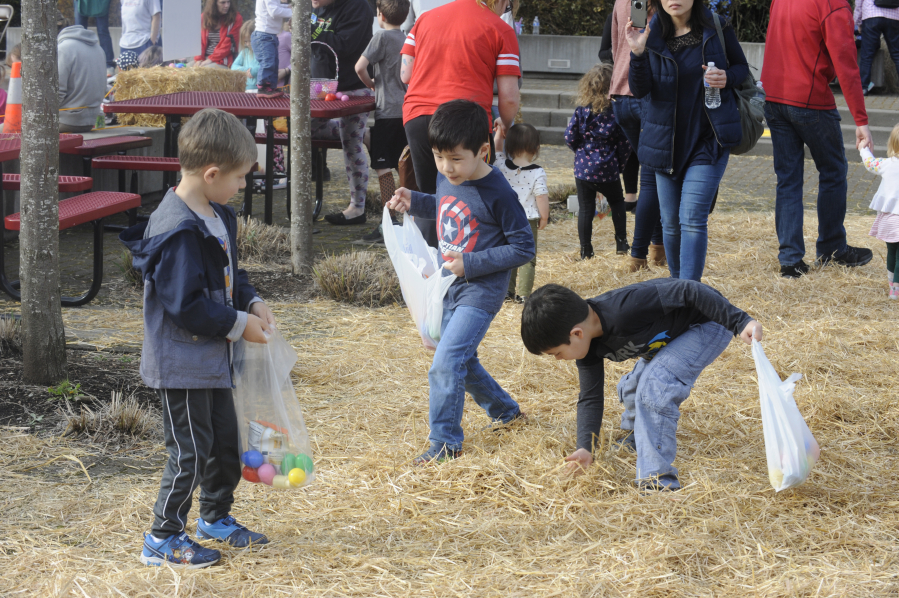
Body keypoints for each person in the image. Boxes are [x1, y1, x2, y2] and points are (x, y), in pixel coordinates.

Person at [120, 109, 276, 568]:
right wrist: (236, 325)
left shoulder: (217, 214)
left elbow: (232, 273)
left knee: (223, 443)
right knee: (188, 452)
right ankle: (162, 537)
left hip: (214, 360)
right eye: (240, 178)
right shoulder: (176, 231)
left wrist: (250, 302)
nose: (242, 187)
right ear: (211, 174)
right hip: (184, 364)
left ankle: (214, 517)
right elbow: (185, 306)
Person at [385, 100, 534, 464]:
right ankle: (506, 412)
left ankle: (444, 445)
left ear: (483, 151)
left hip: (481, 291)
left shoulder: (499, 193)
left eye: (454, 159)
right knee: (459, 359)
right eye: (438, 157)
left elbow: (523, 247)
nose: (445, 167)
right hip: (448, 283)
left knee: (446, 362)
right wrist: (414, 200)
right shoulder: (447, 175)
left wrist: (472, 263)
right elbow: (445, 205)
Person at [520, 281, 761, 491]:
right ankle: (638, 437)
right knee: (633, 386)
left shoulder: (624, 309)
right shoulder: (588, 344)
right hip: (670, 338)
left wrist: (740, 321)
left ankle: (657, 479)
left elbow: (690, 290)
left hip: (708, 322)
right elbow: (591, 397)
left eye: (557, 353)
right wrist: (585, 448)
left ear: (576, 333)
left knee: (654, 386)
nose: (558, 359)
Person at [627, 0, 748, 281]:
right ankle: (678, 288)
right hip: (665, 144)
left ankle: (690, 292)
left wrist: (726, 77)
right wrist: (637, 53)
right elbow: (640, 88)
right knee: (670, 223)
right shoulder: (651, 32)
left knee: (691, 219)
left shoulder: (716, 26)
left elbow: (741, 67)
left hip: (708, 139)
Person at [762, 0, 874, 278]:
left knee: (787, 179)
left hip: (774, 96)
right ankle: (832, 248)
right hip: (810, 98)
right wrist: (861, 121)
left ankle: (790, 260)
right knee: (834, 170)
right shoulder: (832, 4)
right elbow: (847, 65)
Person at [400, 0, 521, 247]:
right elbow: (509, 97)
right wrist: (505, 124)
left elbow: (405, 74)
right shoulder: (501, 29)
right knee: (470, 200)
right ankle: (467, 269)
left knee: (430, 198)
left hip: (418, 116)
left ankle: (429, 270)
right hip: (466, 122)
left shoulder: (425, 18)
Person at [610, 0, 666, 272]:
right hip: (647, 93)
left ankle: (656, 247)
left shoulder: (623, 2)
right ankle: (642, 253)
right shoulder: (665, 4)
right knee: (652, 179)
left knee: (651, 176)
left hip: (620, 93)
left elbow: (614, 44)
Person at [309, 0, 375, 226]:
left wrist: (309, 32)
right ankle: (364, 134)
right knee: (306, 128)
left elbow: (345, 46)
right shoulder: (316, 7)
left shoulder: (359, 7)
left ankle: (357, 208)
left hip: (353, 86)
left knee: (351, 142)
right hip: (321, 86)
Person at [354, 0, 411, 243]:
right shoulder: (407, 37)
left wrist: (371, 84)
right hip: (407, 111)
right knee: (406, 167)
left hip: (387, 111)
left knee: (383, 167)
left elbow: (360, 67)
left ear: (380, 14)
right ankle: (408, 219)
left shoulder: (381, 38)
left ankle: (388, 222)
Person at [565, 63, 632, 260]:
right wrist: (620, 163)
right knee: (617, 203)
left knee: (586, 208)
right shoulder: (616, 112)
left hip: (584, 168)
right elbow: (624, 142)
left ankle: (586, 250)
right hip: (608, 167)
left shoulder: (581, 111)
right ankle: (621, 243)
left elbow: (569, 137)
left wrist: (580, 152)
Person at [494, 123, 548, 302]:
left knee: (508, 254)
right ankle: (524, 294)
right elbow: (541, 197)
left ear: (509, 146)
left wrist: (500, 134)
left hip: (505, 219)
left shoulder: (501, 165)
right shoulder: (537, 172)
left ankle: (507, 293)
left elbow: (496, 150)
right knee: (527, 257)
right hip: (528, 220)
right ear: (536, 148)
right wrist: (545, 216)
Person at [859, 124, 899, 298]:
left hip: (889, 218)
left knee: (892, 252)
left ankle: (892, 285)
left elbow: (870, 163)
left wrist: (863, 149)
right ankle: (896, 290)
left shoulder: (887, 164)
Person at [58, 23, 107, 133]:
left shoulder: (63, 49)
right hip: (91, 121)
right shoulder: (99, 49)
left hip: (66, 121)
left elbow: (57, 92)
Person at [855, 0, 899, 96]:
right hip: (894, 16)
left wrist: (858, 22)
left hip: (871, 15)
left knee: (867, 54)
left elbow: (859, 2)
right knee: (897, 54)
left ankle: (864, 87)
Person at [252, 0, 291, 98]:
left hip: (270, 35)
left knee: (273, 62)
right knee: (267, 61)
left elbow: (276, 6)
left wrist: (288, 7)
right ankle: (263, 87)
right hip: (264, 35)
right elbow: (274, 11)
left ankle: (271, 87)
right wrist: (294, 12)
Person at [193, 0, 243, 68]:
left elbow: (228, 45)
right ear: (214, 4)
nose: (227, 5)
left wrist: (210, 59)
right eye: (223, 2)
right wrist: (198, 59)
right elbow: (199, 41)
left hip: (223, 60)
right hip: (205, 58)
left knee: (204, 71)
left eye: (228, 2)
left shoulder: (236, 18)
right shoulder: (203, 17)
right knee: (186, 69)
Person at [74, 0, 116, 76]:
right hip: (81, 2)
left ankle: (108, 65)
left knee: (102, 30)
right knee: (79, 31)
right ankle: (78, 64)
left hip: (100, 2)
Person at [232, 19, 261, 91]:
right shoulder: (244, 52)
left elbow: (266, 66)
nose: (248, 44)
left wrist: (254, 71)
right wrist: (246, 70)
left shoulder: (263, 52)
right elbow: (233, 67)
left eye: (250, 41)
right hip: (247, 88)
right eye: (245, 41)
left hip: (260, 88)